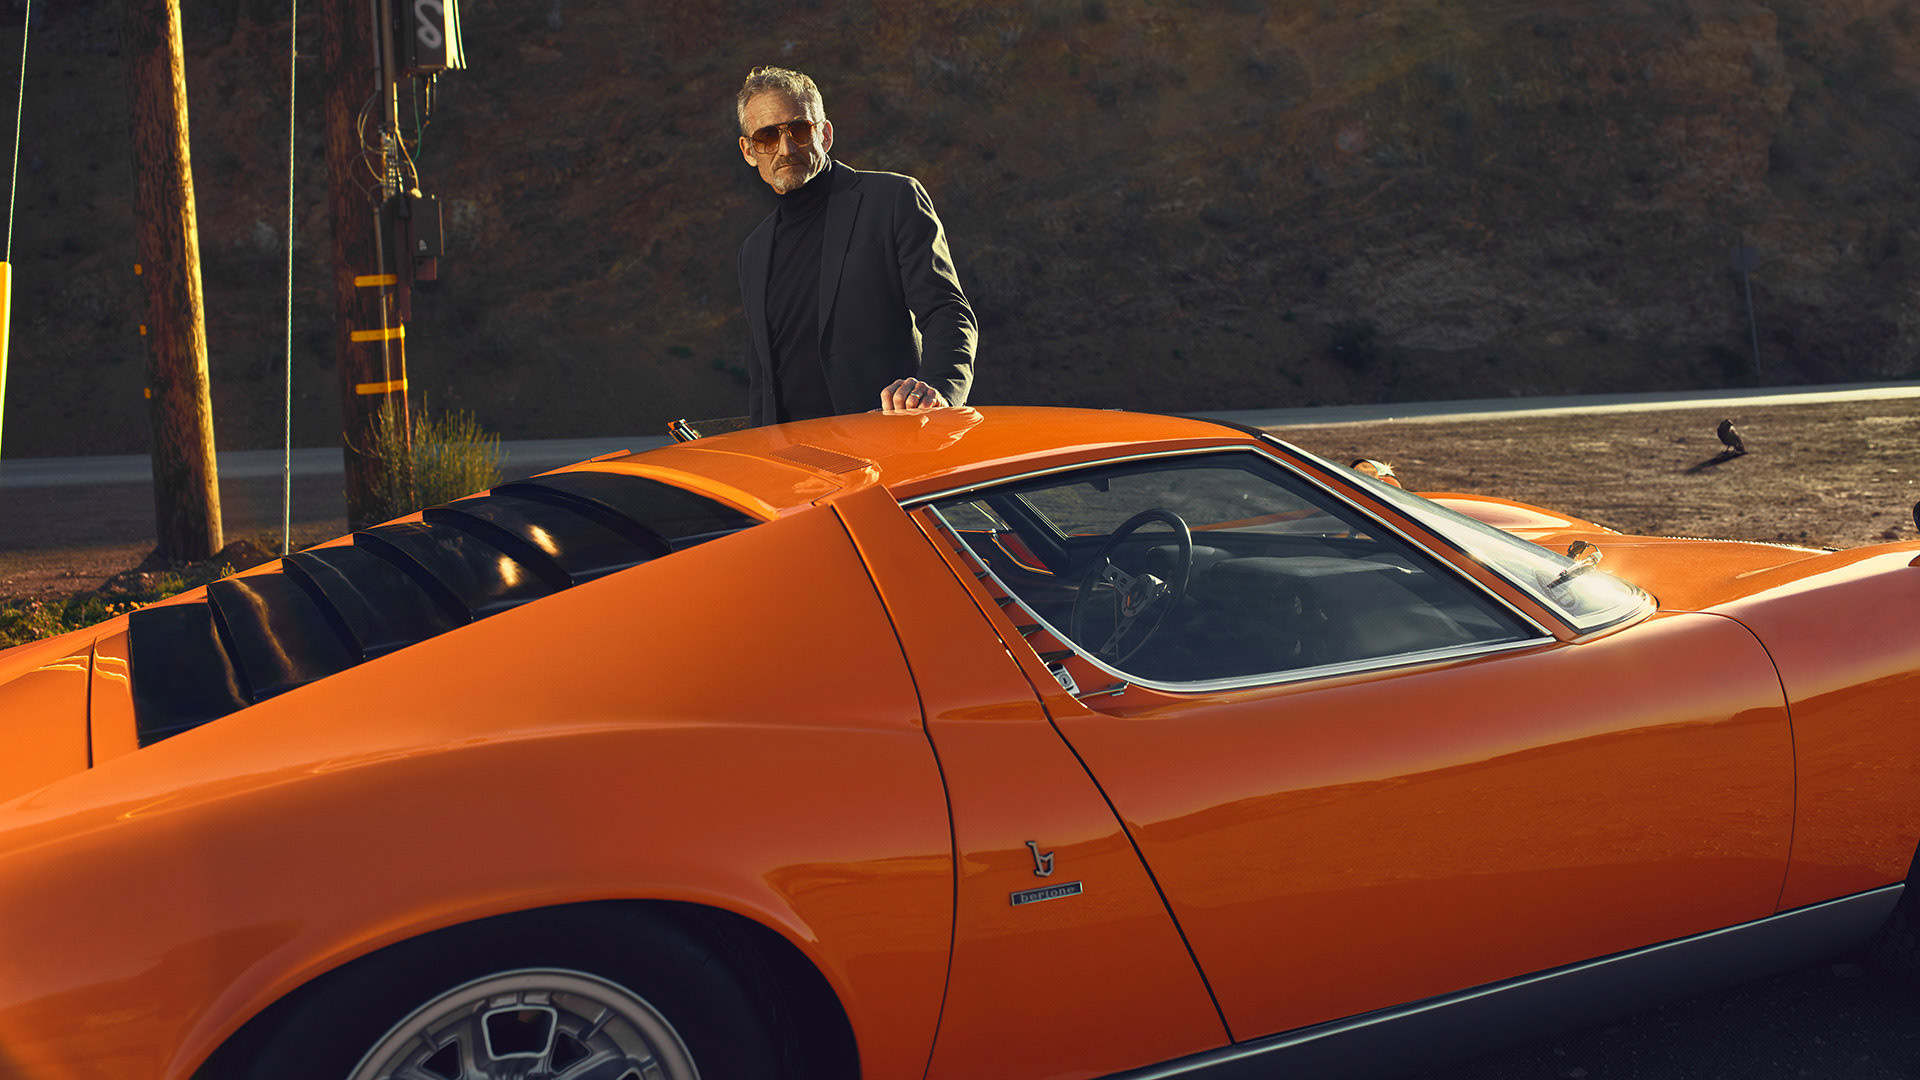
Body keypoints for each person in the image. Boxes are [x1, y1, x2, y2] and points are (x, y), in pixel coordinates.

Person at [733, 66, 977, 425]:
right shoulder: (753, 251)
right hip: (787, 453)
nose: (786, 148)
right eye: (767, 136)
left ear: (825, 134)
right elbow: (764, 380)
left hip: (886, 440)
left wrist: (937, 390)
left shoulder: (893, 199)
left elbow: (947, 312)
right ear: (749, 150)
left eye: (799, 130)